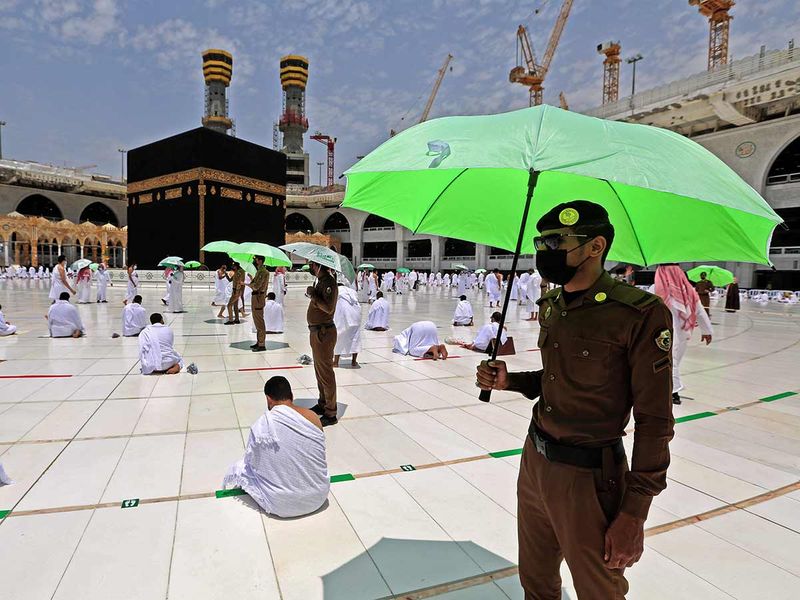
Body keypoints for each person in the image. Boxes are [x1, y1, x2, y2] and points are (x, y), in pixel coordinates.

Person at [476, 200, 674, 599]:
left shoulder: (636, 313)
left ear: (596, 246)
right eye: (541, 241)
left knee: (598, 588)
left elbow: (655, 422)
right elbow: (557, 380)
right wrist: (509, 380)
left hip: (589, 477)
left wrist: (634, 513)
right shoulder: (553, 307)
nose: (545, 251)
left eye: (556, 241)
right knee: (535, 580)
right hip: (535, 461)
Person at [222, 376, 329, 518]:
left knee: (242, 467)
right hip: (318, 496)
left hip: (279, 504)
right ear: (291, 396)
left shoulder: (261, 426)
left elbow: (252, 462)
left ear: (268, 399)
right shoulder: (313, 417)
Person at [652, 265, 713, 405]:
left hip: (669, 332)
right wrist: (706, 331)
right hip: (679, 332)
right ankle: (672, 391)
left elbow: (699, 310)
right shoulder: (688, 291)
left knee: (671, 361)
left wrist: (706, 331)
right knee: (671, 361)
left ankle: (673, 391)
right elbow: (699, 311)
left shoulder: (656, 289)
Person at [306, 261, 339, 426]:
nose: (310, 267)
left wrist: (313, 295)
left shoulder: (329, 283)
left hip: (324, 333)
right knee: (319, 371)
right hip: (317, 332)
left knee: (325, 372)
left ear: (319, 266)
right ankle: (323, 402)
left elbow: (329, 308)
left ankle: (331, 412)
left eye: (312, 265)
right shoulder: (321, 282)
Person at [333, 279, 362, 367]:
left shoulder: (336, 292)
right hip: (356, 317)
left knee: (339, 337)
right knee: (355, 338)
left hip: (344, 317)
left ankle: (336, 362)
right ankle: (353, 361)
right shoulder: (352, 291)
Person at [248, 256, 271, 351]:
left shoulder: (263, 272)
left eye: (256, 259)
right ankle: (259, 342)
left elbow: (256, 286)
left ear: (260, 260)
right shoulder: (259, 271)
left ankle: (262, 344)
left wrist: (248, 284)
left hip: (258, 298)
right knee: (257, 320)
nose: (255, 261)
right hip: (256, 298)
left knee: (259, 321)